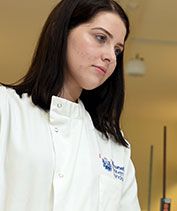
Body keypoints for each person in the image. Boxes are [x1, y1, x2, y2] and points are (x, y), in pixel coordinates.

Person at [0, 0, 141, 210]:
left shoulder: (115, 148)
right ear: (62, 32)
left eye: (118, 50)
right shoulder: (7, 109)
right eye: (100, 38)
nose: (111, 56)